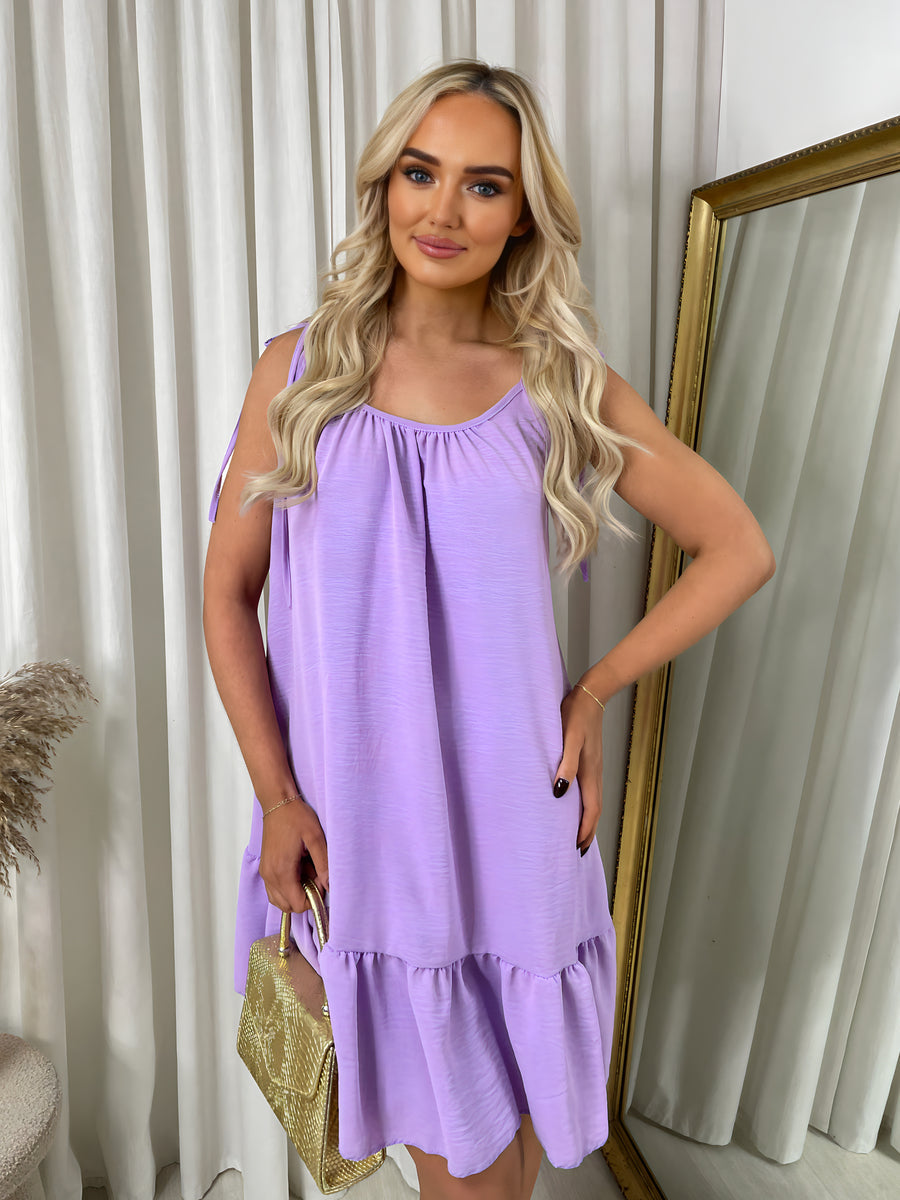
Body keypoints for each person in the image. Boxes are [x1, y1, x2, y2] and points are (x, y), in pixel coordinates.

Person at [203, 59, 774, 1200]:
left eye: (484, 185)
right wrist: (276, 796)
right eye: (421, 173)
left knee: (489, 1162)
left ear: (522, 215)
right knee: (465, 1162)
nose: (443, 210)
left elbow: (737, 547)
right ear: (384, 184)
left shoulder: (554, 383)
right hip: (362, 836)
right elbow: (227, 595)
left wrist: (592, 691)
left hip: (513, 827)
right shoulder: (297, 372)